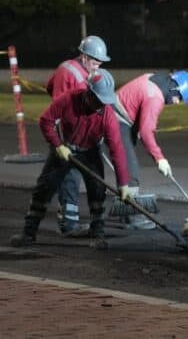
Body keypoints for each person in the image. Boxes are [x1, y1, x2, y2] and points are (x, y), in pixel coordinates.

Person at [10, 69, 133, 248]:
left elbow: (116, 149)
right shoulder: (68, 99)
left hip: (90, 152)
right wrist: (58, 145)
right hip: (64, 149)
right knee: (44, 189)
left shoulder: (107, 116)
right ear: (88, 93)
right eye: (98, 100)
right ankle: (28, 233)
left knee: (97, 191)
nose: (100, 105)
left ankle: (98, 235)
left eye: (104, 102)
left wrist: (124, 184)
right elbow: (46, 120)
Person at [110, 70, 188, 229]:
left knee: (125, 166)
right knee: (130, 170)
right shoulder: (155, 97)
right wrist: (160, 159)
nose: (177, 103)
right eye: (179, 98)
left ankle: (124, 211)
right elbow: (146, 132)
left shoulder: (154, 78)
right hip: (116, 119)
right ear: (174, 89)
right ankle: (131, 216)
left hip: (121, 116)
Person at [46, 35, 111, 237]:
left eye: (100, 63)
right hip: (66, 135)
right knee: (69, 176)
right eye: (94, 62)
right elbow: (57, 101)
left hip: (79, 133)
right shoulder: (68, 72)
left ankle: (86, 221)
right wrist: (60, 142)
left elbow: (48, 86)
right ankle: (68, 223)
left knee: (87, 176)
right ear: (83, 57)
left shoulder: (86, 73)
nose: (97, 67)